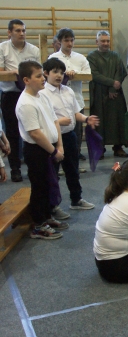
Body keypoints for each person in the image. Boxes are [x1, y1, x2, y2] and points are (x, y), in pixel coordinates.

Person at [15, 60, 67, 239]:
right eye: (38, 76)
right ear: (26, 80)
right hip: (37, 151)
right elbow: (35, 134)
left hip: (50, 148)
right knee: (39, 187)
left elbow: (54, 121)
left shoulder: (42, 96)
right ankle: (38, 225)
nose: (43, 79)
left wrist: (59, 145)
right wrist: (53, 151)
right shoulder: (26, 103)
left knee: (49, 185)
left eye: (42, 75)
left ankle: (46, 216)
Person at [40, 58, 98, 218]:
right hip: (52, 139)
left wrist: (86, 119)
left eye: (61, 72)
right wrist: (59, 121)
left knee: (72, 169)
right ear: (46, 73)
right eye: (55, 72)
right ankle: (53, 205)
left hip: (69, 136)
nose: (59, 75)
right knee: (53, 173)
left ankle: (76, 199)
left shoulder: (68, 91)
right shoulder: (42, 94)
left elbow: (75, 113)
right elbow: (42, 121)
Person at [0, 19, 41, 182]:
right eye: (17, 30)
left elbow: (38, 72)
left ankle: (33, 167)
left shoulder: (33, 50)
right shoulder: (2, 48)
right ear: (9, 32)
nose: (22, 33)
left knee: (32, 130)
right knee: (12, 133)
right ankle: (15, 168)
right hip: (10, 94)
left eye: (23, 30)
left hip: (30, 94)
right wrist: (15, 72)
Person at [49, 28, 92, 160]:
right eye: (66, 40)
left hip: (76, 99)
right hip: (56, 101)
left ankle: (75, 155)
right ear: (59, 41)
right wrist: (65, 74)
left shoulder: (80, 58)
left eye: (71, 40)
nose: (69, 43)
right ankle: (59, 156)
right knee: (59, 131)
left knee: (77, 132)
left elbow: (88, 76)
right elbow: (48, 77)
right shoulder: (53, 58)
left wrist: (75, 73)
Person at [87, 30, 128, 158]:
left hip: (115, 94)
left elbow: (120, 72)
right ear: (97, 42)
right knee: (100, 121)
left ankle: (118, 147)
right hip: (99, 94)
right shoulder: (92, 57)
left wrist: (113, 88)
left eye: (107, 41)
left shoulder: (115, 56)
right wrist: (112, 83)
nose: (105, 43)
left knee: (118, 120)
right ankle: (99, 148)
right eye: (103, 41)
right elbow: (94, 74)